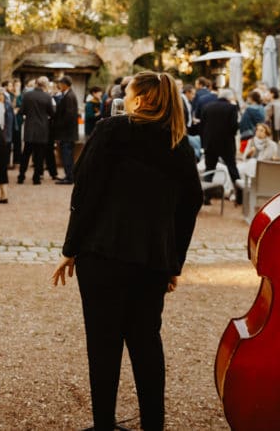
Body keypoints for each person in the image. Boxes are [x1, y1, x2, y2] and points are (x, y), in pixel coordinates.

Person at [51, 71, 202, 431]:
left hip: (103, 254)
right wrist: (173, 262)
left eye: (128, 92)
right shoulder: (177, 143)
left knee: (103, 345)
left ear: (141, 99)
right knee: (147, 342)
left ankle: (104, 424)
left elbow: (85, 193)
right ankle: (153, 424)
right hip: (152, 261)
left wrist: (70, 247)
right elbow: (191, 203)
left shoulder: (111, 131)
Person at [200, 87, 242, 206]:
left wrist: (204, 141)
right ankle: (240, 197)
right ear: (229, 97)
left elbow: (202, 126)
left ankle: (206, 196)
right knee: (232, 169)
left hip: (210, 143)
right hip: (226, 144)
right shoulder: (232, 108)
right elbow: (234, 127)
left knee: (209, 169)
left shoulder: (207, 107)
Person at [18, 76, 54, 185]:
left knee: (26, 154)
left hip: (29, 127)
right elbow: (52, 113)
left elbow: (22, 111)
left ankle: (21, 176)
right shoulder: (47, 97)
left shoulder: (27, 95)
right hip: (42, 128)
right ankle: (36, 177)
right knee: (39, 155)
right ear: (45, 85)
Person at [52, 75, 79, 184]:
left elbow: (69, 115)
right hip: (68, 132)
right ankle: (69, 175)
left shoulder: (69, 96)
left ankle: (69, 177)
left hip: (67, 132)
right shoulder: (68, 95)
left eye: (60, 84)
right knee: (66, 154)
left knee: (67, 155)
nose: (59, 86)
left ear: (64, 84)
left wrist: (59, 126)